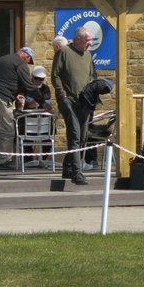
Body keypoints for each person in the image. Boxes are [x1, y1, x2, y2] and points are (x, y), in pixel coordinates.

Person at [52, 27, 96, 185]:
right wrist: (61, 94)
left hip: (83, 102)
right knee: (75, 134)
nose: (90, 44)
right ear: (78, 39)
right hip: (68, 100)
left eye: (90, 41)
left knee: (82, 136)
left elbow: (91, 76)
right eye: (87, 40)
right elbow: (55, 74)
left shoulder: (88, 55)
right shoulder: (64, 52)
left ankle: (68, 167)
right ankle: (77, 173)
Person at [0, 46, 37, 170]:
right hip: (0, 97)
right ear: (26, 56)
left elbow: (2, 78)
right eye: (29, 60)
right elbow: (28, 85)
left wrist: (17, 93)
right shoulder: (21, 64)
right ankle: (5, 161)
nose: (28, 62)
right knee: (7, 131)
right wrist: (43, 102)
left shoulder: (3, 59)